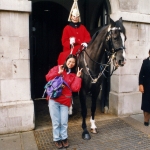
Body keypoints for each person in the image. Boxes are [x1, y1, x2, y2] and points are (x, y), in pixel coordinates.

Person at [45, 54, 82, 149]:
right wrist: (58, 73)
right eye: (69, 61)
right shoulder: (58, 68)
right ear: (66, 61)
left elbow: (75, 88)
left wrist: (78, 77)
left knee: (64, 121)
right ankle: (57, 139)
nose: (71, 64)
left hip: (65, 101)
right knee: (56, 122)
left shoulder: (73, 75)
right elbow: (48, 77)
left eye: (73, 62)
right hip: (54, 99)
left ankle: (64, 138)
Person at [57, 0, 91, 65]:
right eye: (74, 16)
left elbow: (88, 37)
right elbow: (64, 41)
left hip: (82, 49)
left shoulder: (82, 27)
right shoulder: (67, 28)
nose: (75, 18)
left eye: (77, 17)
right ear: (71, 17)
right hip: (70, 50)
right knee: (63, 56)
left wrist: (85, 43)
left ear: (79, 17)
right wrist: (70, 43)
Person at [139, 49, 150, 126]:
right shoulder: (145, 62)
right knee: (146, 104)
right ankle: (146, 120)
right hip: (147, 86)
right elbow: (141, 74)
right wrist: (140, 84)